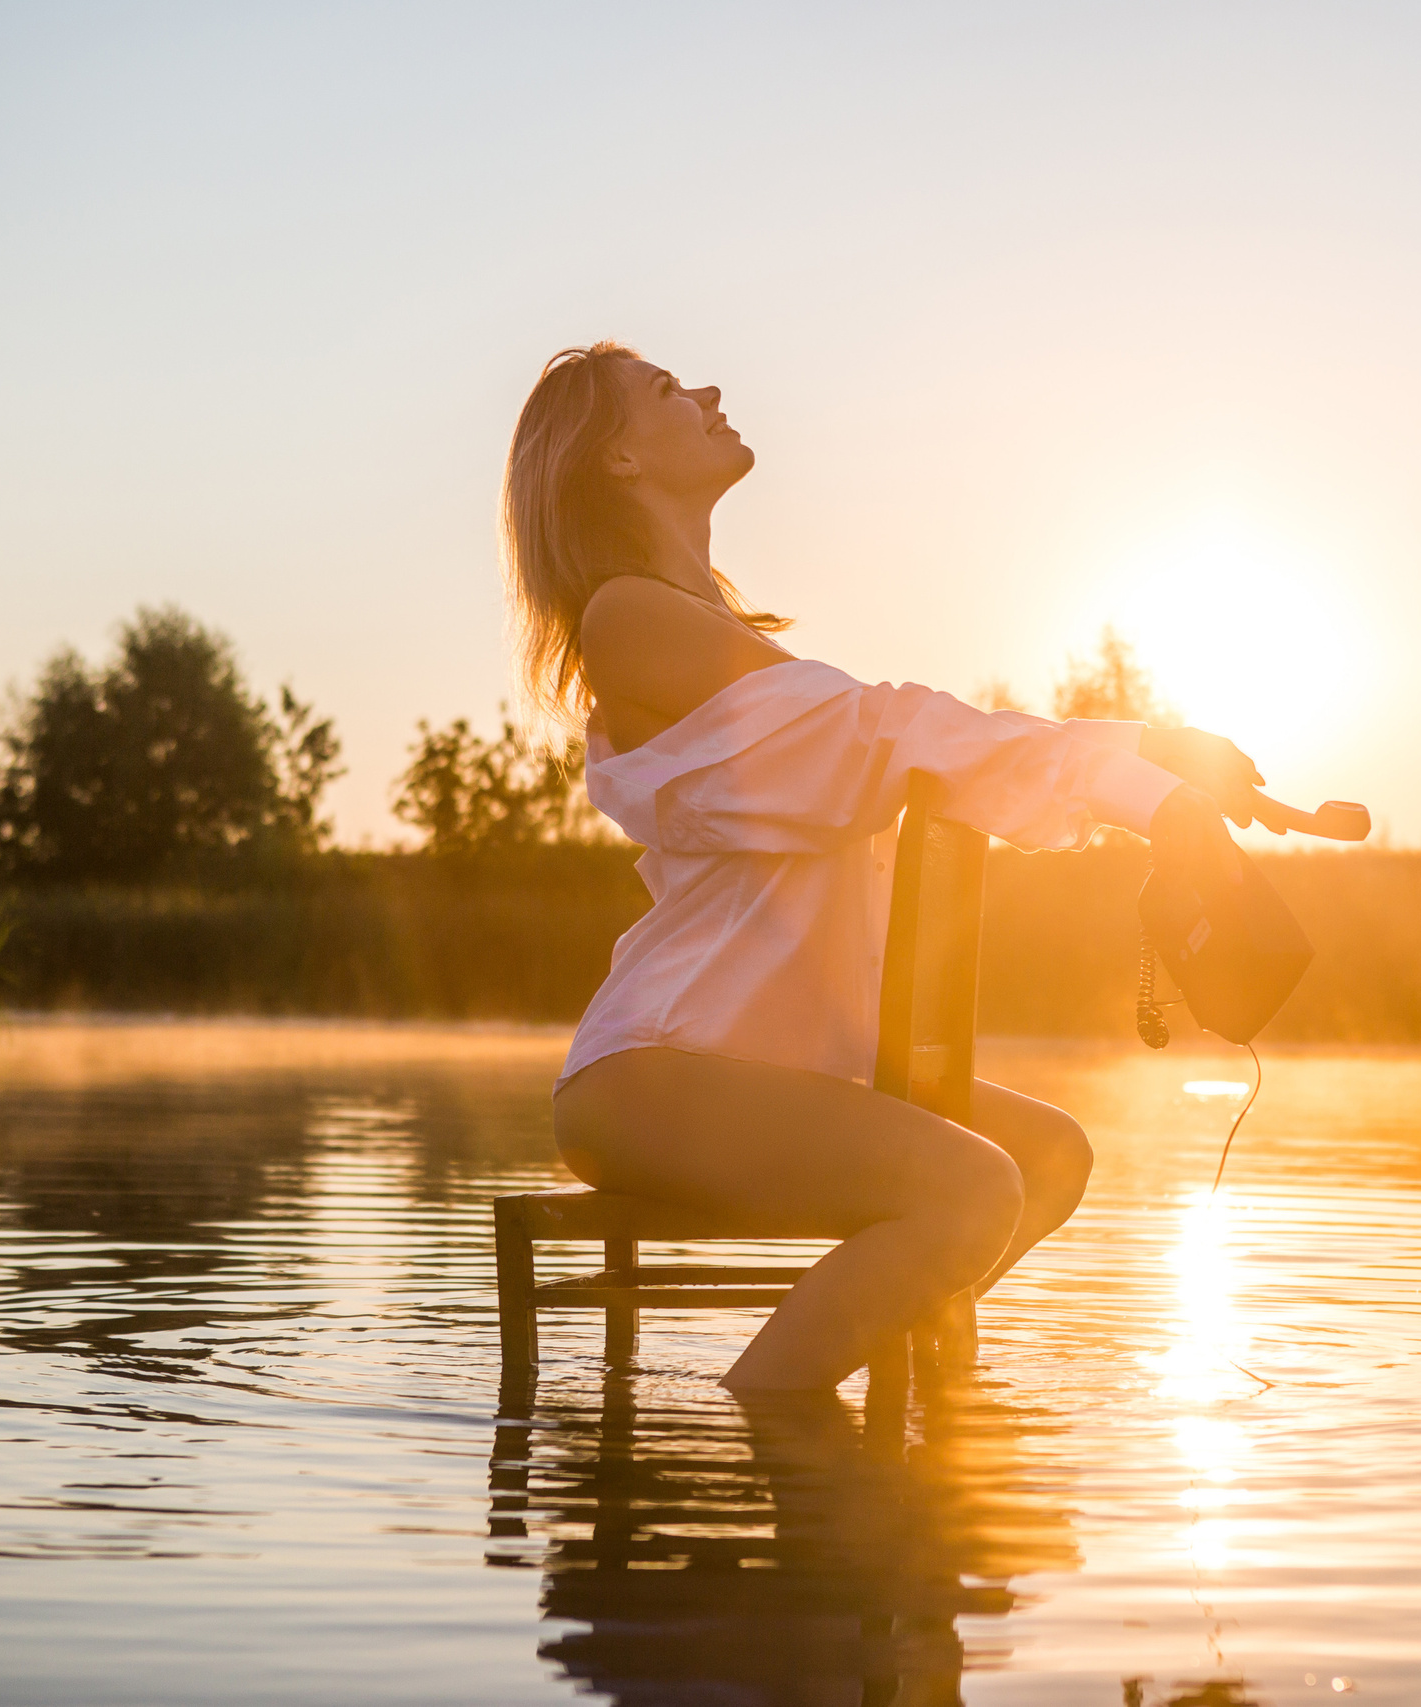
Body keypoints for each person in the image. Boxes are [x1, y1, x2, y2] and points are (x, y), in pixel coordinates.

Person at [512, 342, 1262, 1392]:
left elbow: (906, 743)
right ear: (617, 462)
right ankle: (770, 1426)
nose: (711, 392)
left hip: (781, 1063)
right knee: (966, 1191)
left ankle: (905, 1427)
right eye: (667, 391)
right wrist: (1146, 771)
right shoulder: (624, 618)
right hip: (659, 1069)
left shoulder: (714, 633)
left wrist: (1158, 758)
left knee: (1046, 1160)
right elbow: (888, 735)